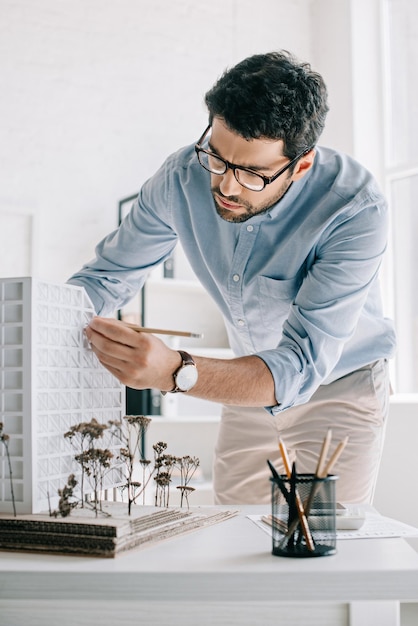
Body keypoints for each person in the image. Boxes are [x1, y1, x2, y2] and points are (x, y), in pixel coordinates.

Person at [68, 50, 396, 506]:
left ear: (300, 165)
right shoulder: (181, 177)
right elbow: (106, 278)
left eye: (253, 174)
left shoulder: (355, 208)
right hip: (249, 381)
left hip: (339, 386)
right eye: (218, 158)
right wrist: (35, 324)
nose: (226, 186)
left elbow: (300, 363)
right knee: (233, 539)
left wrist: (174, 372)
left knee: (323, 549)